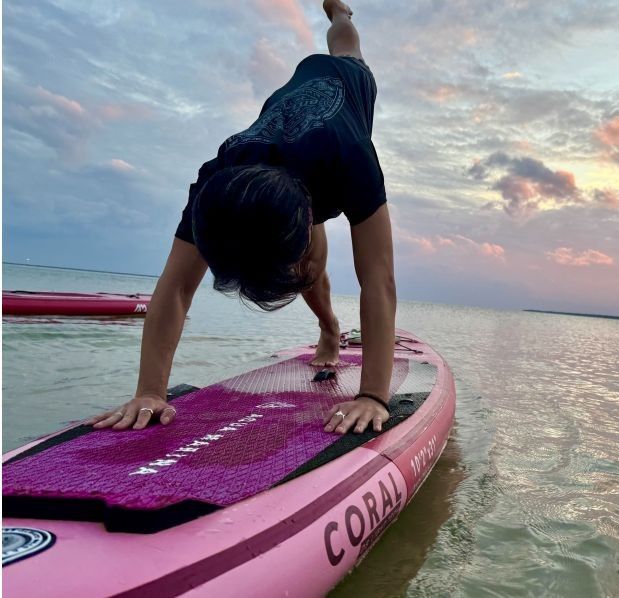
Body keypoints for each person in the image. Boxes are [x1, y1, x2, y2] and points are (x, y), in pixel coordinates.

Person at [86, 0, 395, 436]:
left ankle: (339, 12)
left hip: (345, 86)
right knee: (289, 264)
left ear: (309, 219)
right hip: (283, 141)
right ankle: (329, 327)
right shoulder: (215, 183)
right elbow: (175, 287)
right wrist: (151, 391)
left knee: (346, 45)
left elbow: (377, 280)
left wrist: (372, 395)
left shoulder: (353, 160)